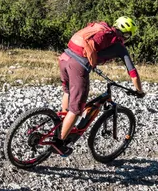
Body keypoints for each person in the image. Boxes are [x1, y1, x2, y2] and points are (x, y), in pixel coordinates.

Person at [53, 16, 145, 156]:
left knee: (68, 92)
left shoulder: (101, 29)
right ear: (127, 34)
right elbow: (133, 72)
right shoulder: (119, 46)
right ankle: (59, 143)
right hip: (77, 65)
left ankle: (63, 123)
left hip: (65, 57)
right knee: (76, 109)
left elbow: (92, 49)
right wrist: (139, 91)